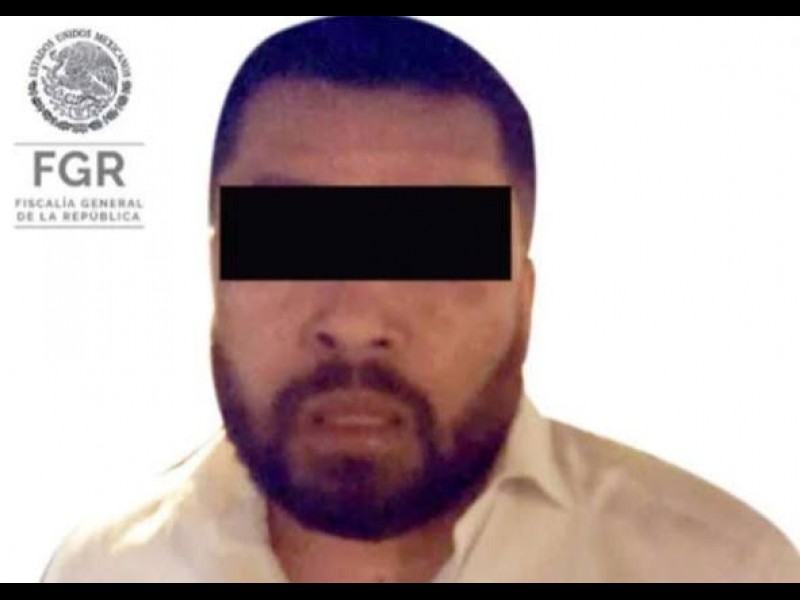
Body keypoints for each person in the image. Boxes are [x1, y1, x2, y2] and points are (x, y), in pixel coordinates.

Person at [41, 16, 800, 583]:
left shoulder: (726, 570)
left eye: (430, 249)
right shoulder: (102, 570)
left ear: (524, 298)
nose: (354, 320)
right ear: (217, 274)